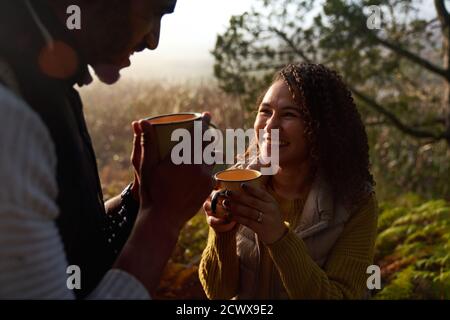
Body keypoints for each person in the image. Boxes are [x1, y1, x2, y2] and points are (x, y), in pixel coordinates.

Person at [0, 0, 213, 299]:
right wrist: (163, 220)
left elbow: (70, 244)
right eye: (154, 12)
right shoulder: (10, 114)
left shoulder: (40, 83)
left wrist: (139, 198)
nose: (153, 41)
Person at [199, 63, 378, 299]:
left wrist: (279, 239)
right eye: (265, 111)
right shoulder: (238, 181)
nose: (270, 126)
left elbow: (342, 295)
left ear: (320, 127)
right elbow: (219, 292)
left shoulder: (355, 202)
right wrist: (221, 234)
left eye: (289, 115)